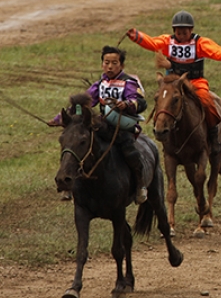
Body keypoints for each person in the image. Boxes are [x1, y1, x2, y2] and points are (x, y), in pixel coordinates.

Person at [126, 11, 221, 148]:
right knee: (162, 101)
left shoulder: (200, 43)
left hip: (195, 82)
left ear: (191, 30)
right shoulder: (167, 41)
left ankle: (213, 132)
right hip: (174, 83)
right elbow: (152, 43)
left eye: (185, 33)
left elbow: (215, 51)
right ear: (174, 31)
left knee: (206, 101)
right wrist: (136, 36)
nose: (181, 36)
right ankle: (160, 128)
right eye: (178, 33)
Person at [51, 46, 149, 203]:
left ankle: (140, 184)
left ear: (121, 65)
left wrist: (127, 104)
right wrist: (58, 119)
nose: (110, 66)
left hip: (122, 127)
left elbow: (140, 102)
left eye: (114, 63)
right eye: (106, 62)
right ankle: (70, 184)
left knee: (129, 150)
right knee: (80, 146)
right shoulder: (100, 84)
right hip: (104, 126)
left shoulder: (129, 83)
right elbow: (84, 102)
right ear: (102, 64)